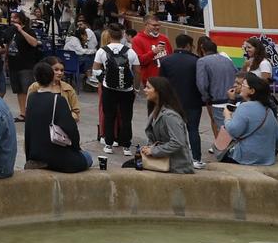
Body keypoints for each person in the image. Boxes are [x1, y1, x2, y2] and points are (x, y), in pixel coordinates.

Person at [22, 59, 91, 173]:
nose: (59, 73)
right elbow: (71, 129)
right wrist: (76, 148)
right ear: (51, 76)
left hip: (36, 153)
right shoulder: (58, 100)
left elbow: (28, 127)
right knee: (87, 157)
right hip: (55, 153)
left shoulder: (32, 97)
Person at [156, 31, 206, 168]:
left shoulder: (165, 60)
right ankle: (196, 159)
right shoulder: (197, 61)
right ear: (189, 46)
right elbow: (201, 82)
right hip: (193, 101)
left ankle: (173, 157)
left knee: (172, 131)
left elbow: (162, 83)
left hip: (172, 102)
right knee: (193, 130)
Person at [214, 72, 278, 167]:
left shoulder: (245, 107)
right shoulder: (268, 110)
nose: (241, 87)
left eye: (243, 85)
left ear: (252, 91)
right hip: (267, 159)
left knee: (219, 147)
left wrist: (227, 116)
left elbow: (233, 131)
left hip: (246, 158)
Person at [134, 76, 195, 173]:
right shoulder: (155, 110)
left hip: (176, 166)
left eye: (148, 87)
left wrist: (153, 151)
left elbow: (178, 142)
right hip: (162, 160)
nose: (144, 90)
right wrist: (149, 148)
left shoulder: (170, 116)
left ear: (159, 91)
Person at [94, 24, 138, 156]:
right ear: (122, 36)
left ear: (109, 35)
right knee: (126, 117)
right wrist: (136, 88)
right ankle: (126, 147)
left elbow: (95, 70)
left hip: (109, 89)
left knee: (109, 116)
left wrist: (104, 80)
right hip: (127, 90)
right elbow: (138, 71)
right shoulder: (130, 51)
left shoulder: (102, 51)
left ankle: (108, 144)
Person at [6, 12, 43, 116]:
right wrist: (6, 61)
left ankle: (32, 112)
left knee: (28, 90)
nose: (12, 20)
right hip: (13, 65)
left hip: (26, 65)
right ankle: (23, 113)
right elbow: (7, 45)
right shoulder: (9, 30)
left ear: (21, 19)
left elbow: (34, 43)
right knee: (19, 91)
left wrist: (21, 31)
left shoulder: (29, 30)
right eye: (11, 17)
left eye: (15, 18)